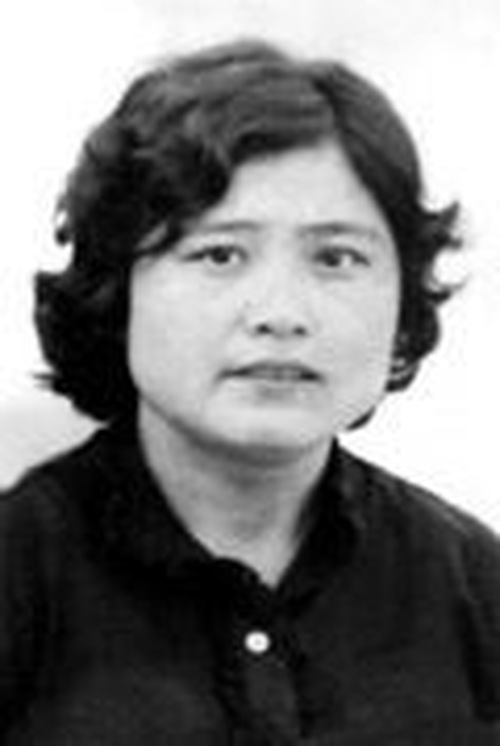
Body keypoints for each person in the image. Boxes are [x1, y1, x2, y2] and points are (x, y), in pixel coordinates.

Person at [1, 38, 499, 745]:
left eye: (337, 258)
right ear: (118, 289)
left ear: (402, 302)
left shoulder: (473, 587)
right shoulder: (18, 578)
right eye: (220, 254)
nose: (281, 313)